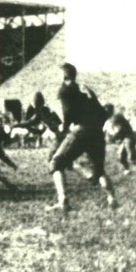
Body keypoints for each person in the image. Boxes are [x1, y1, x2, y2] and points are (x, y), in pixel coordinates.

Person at [47, 63, 117, 214]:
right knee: (99, 170)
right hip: (97, 133)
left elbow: (68, 113)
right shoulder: (86, 89)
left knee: (56, 163)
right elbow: (103, 114)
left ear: (64, 76)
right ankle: (112, 199)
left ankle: (63, 201)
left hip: (81, 131)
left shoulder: (65, 90)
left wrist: (63, 129)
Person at [103, 104, 136, 174]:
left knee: (132, 159)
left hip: (129, 138)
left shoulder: (115, 117)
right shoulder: (113, 117)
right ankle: (127, 170)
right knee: (122, 156)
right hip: (127, 138)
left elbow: (119, 130)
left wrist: (113, 138)